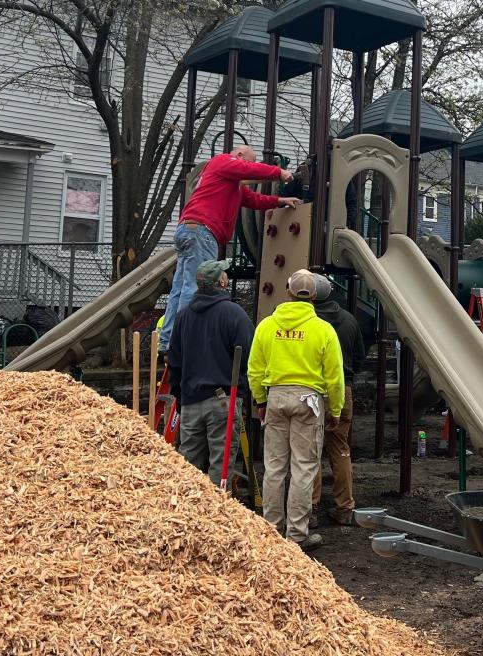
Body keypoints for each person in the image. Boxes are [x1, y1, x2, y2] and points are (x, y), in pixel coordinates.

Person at [158, 146, 300, 353]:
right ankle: (183, 342)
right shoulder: (222, 161)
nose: (248, 167)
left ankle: (168, 340)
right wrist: (279, 173)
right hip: (202, 231)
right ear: (239, 157)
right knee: (196, 288)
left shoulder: (230, 185)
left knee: (180, 289)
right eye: (249, 162)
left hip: (189, 230)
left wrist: (279, 201)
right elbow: (250, 171)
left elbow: (253, 199)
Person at [248, 269, 344, 552]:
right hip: (309, 401)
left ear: (288, 291)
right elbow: (335, 377)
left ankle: (271, 529)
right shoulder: (323, 330)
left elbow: (254, 369)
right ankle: (297, 534)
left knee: (274, 467)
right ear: (313, 296)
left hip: (275, 397)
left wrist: (261, 402)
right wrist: (335, 409)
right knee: (303, 468)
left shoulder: (266, 326)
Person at [167, 260, 254, 486]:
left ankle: (187, 512)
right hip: (222, 399)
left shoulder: (184, 316)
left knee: (188, 466)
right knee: (221, 467)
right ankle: (218, 514)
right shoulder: (234, 314)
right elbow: (248, 357)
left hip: (190, 401)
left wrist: (181, 394)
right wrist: (243, 392)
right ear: (222, 282)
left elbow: (174, 360)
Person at [310, 274, 366, 527]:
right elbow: (359, 356)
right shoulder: (348, 319)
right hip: (343, 389)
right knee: (341, 449)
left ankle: (310, 506)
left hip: (311, 390)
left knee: (309, 451)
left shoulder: (308, 322)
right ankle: (345, 507)